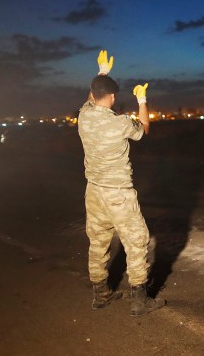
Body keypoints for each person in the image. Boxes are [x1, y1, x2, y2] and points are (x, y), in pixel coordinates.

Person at [77, 50, 165, 316]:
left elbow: (90, 98)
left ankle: (101, 294)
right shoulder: (120, 123)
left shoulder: (84, 116)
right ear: (113, 98)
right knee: (137, 242)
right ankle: (139, 301)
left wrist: (101, 72)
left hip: (93, 191)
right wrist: (142, 100)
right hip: (118, 195)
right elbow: (144, 130)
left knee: (98, 242)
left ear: (92, 95)